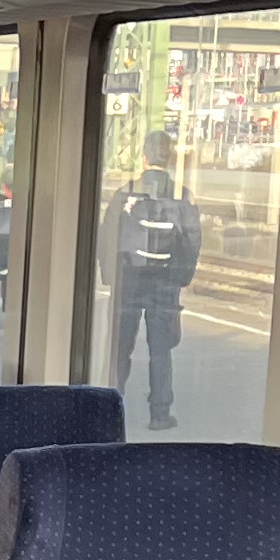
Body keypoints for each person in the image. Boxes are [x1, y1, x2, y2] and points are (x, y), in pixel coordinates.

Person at [105, 157, 199, 429]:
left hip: (129, 278)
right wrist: (182, 276)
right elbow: (192, 238)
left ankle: (110, 409)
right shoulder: (182, 196)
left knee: (121, 347)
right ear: (168, 159)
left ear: (145, 159)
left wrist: (109, 274)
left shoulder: (125, 192)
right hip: (164, 281)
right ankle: (160, 413)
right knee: (160, 350)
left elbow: (108, 233)